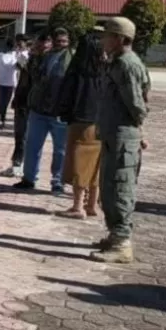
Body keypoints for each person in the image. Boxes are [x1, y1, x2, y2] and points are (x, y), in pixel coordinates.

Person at [92, 18, 149, 263]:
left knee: (120, 188)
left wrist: (138, 131)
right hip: (113, 135)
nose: (102, 40)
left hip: (122, 137)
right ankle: (115, 235)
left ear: (119, 38)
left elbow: (137, 104)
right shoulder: (117, 63)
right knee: (108, 188)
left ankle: (122, 242)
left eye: (106, 36)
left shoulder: (127, 64)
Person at [14, 28, 72, 194]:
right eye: (58, 41)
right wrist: (36, 54)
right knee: (32, 145)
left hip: (59, 112)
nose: (61, 44)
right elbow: (29, 74)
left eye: (64, 41)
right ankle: (29, 178)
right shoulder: (42, 57)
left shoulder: (72, 59)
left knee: (60, 149)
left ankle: (58, 182)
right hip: (38, 109)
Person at [54, 32, 105, 220]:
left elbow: (66, 95)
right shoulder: (106, 69)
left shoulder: (77, 70)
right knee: (97, 166)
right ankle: (92, 205)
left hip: (81, 122)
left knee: (79, 165)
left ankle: (77, 206)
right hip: (102, 124)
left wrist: (63, 113)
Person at [5, 33, 47, 176]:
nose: (34, 50)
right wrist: (16, 99)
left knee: (28, 137)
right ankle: (18, 163)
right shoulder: (28, 62)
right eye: (34, 47)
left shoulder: (45, 65)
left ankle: (26, 167)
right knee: (20, 135)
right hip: (23, 102)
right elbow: (22, 82)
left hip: (35, 105)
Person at [0, 36, 25, 129]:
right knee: (5, 103)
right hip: (10, 83)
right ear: (14, 47)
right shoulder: (16, 57)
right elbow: (20, 67)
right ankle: (2, 120)